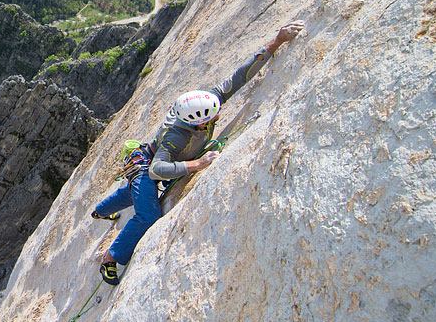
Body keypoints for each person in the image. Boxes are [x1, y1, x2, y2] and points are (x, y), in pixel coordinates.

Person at [94, 22, 305, 285]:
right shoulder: (176, 135)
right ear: (198, 122)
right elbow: (156, 170)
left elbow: (237, 79)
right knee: (147, 212)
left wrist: (276, 41)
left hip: (148, 163)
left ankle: (101, 211)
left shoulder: (201, 106)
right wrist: (197, 164)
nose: (218, 113)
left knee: (136, 194)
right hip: (146, 165)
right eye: (213, 116)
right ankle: (111, 257)